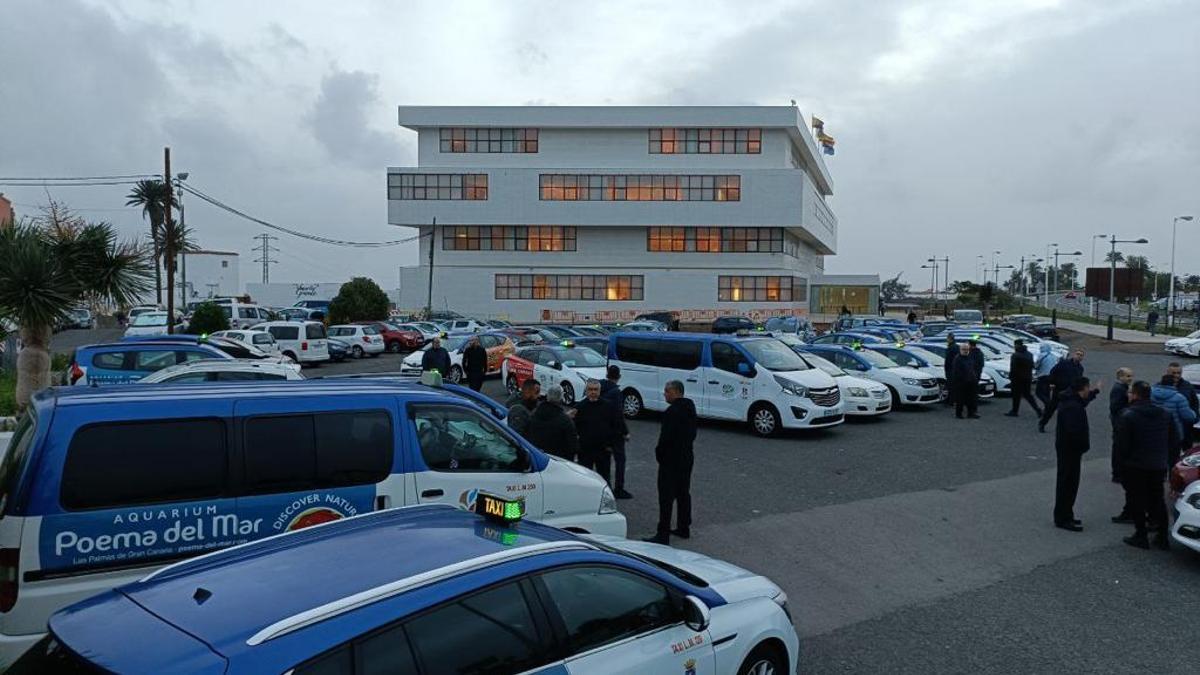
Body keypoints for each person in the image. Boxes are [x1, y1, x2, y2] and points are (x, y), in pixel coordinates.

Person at [1114, 380, 1176, 549]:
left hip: (1136, 464)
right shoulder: (1165, 413)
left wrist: (1120, 467)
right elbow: (1173, 439)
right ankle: (1162, 537)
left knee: (1137, 499)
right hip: (1158, 464)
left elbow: (1122, 445)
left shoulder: (1128, 415)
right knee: (1157, 499)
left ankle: (1140, 535)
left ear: (1134, 394)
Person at [644, 380, 697, 545]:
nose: (664, 394)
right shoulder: (690, 408)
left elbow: (665, 439)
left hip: (670, 461)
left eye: (667, 391)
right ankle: (683, 526)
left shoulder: (671, 412)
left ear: (675, 392)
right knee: (683, 493)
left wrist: (659, 454)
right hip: (686, 457)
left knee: (665, 497)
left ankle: (663, 532)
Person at [1053, 376, 1100, 531]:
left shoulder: (1071, 401)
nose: (1088, 390)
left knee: (1068, 483)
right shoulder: (1072, 407)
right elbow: (1074, 431)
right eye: (1088, 388)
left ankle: (1066, 514)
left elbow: (1084, 401)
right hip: (1070, 450)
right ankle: (1063, 517)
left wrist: (1095, 392)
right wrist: (1082, 446)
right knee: (1068, 484)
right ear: (1083, 388)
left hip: (1068, 450)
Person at [573, 379, 620, 484]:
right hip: (585, 451)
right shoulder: (579, 407)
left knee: (604, 479)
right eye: (590, 389)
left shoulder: (608, 406)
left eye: (596, 390)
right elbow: (573, 429)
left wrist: (611, 445)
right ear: (586, 391)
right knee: (585, 479)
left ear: (600, 391)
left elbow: (615, 426)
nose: (593, 392)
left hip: (603, 450)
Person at [599, 365, 632, 499]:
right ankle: (619, 488)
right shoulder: (616, 393)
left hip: (601, 430)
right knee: (620, 460)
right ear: (618, 377)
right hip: (615, 432)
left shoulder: (599, 387)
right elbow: (618, 414)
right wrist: (625, 432)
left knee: (605, 461)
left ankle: (605, 487)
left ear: (607, 374)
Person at [1150, 374, 1198, 465]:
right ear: (1173, 384)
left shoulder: (1150, 393)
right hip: (1173, 433)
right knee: (1172, 460)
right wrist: (1194, 414)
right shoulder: (1179, 398)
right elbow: (1188, 417)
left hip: (1153, 431)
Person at [525, 384, 580, 461]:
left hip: (537, 458)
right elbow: (573, 446)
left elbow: (527, 434)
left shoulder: (534, 414)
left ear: (547, 396)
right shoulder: (565, 421)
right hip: (559, 461)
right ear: (561, 398)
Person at [1039, 348, 1085, 433]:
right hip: (1059, 390)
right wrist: (1052, 382)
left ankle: (1066, 428)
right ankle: (1042, 423)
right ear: (1074, 355)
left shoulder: (1080, 368)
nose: (1079, 356)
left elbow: (1079, 381)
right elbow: (1053, 371)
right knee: (1051, 409)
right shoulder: (1064, 363)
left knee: (1068, 411)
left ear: (1082, 358)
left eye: (1081, 355)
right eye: (1077, 354)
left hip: (1070, 392)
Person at [1109, 368, 1134, 486]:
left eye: (1131, 376)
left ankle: (1119, 472)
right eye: (1128, 376)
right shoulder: (1119, 389)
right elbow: (1115, 408)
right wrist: (1129, 403)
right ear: (1120, 377)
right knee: (1119, 448)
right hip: (1119, 423)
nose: (1130, 379)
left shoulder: (1122, 388)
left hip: (1120, 421)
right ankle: (1117, 474)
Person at [1005, 339, 1041, 417]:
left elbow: (1013, 368)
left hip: (1017, 378)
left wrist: (1011, 378)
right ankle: (1037, 409)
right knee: (1028, 395)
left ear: (1016, 345)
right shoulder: (1029, 354)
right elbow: (1032, 365)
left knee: (1016, 395)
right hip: (1027, 377)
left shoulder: (1015, 355)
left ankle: (1015, 411)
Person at [1167, 361, 1199, 449]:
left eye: (1179, 373)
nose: (1176, 375)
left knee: (1187, 451)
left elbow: (1194, 403)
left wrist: (1195, 418)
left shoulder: (1187, 386)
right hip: (1169, 428)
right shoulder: (1161, 387)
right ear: (1167, 373)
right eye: (1174, 373)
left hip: (1186, 427)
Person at [950, 343, 979, 419]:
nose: (965, 351)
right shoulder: (957, 359)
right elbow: (956, 372)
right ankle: (958, 414)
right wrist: (959, 381)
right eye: (964, 349)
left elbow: (973, 368)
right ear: (960, 350)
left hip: (971, 382)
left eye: (967, 349)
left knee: (971, 399)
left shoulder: (970, 357)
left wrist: (974, 378)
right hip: (961, 383)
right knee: (960, 399)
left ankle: (971, 413)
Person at [1033, 342, 1060, 412]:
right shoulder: (1053, 356)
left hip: (1043, 376)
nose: (1040, 349)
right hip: (1052, 377)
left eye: (1041, 347)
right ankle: (1047, 409)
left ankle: (1049, 404)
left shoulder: (1041, 355)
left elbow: (1036, 366)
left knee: (1038, 392)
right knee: (1047, 392)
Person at [942, 335, 958, 406]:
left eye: (947, 339)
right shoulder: (956, 346)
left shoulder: (951, 347)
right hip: (953, 369)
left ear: (950, 339)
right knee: (952, 386)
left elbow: (948, 360)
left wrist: (947, 368)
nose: (947, 340)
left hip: (950, 369)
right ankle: (951, 400)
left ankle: (951, 401)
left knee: (951, 386)